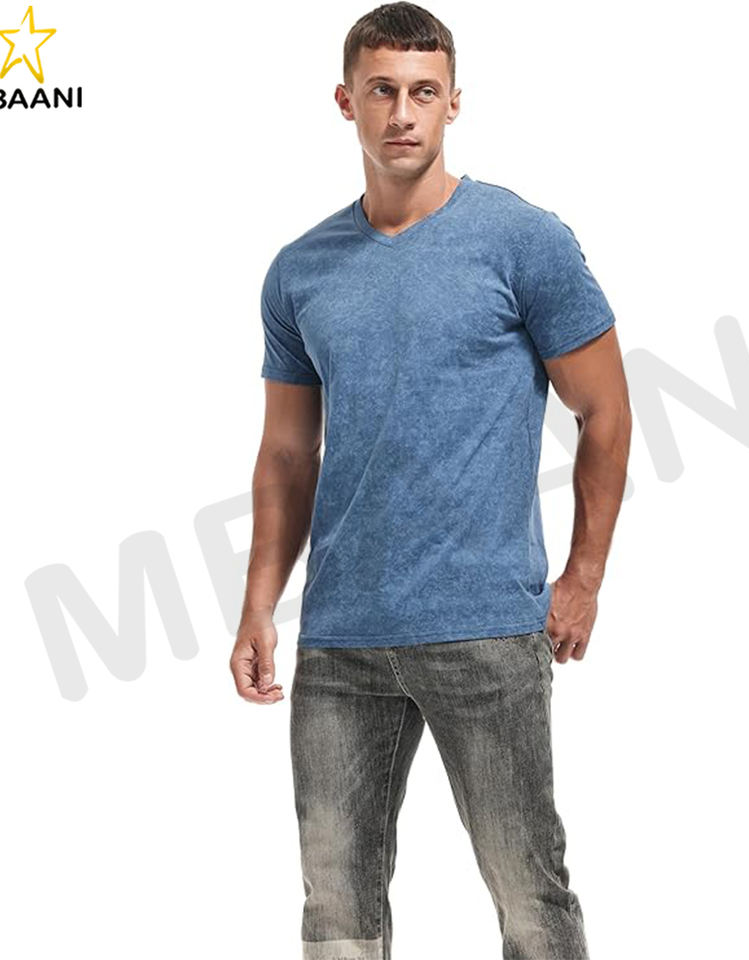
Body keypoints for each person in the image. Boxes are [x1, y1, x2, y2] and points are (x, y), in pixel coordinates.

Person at [230, 3, 632, 957]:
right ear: (347, 102)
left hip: (485, 629)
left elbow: (606, 412)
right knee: (336, 908)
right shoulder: (300, 271)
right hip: (343, 639)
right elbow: (286, 454)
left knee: (529, 896)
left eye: (423, 92)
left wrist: (583, 578)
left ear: (454, 103)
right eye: (382, 90)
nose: (402, 112)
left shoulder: (523, 240)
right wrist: (258, 608)